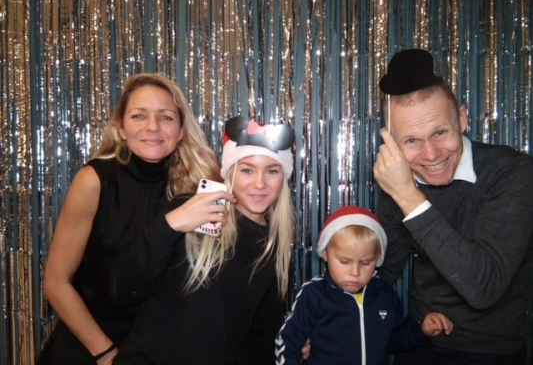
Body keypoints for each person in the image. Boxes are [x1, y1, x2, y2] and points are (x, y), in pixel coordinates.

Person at [38, 73, 222, 364]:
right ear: (121, 128)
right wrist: (105, 353)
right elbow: (56, 282)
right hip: (90, 347)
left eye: (165, 117)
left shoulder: (196, 187)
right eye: (139, 115)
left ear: (181, 130)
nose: (153, 126)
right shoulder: (94, 181)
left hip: (157, 351)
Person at [373, 48, 533, 364]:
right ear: (392, 142)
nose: (431, 154)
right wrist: (323, 315)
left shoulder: (513, 173)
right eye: (412, 140)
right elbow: (382, 271)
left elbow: (483, 287)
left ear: (461, 119)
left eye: (440, 132)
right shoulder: (399, 183)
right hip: (418, 342)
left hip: (492, 353)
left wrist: (408, 196)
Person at [110, 115, 296, 364]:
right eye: (247, 170)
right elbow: (123, 290)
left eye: (272, 171)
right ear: (229, 172)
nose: (259, 183)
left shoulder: (274, 249)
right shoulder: (189, 210)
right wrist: (171, 224)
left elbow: (259, 344)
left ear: (284, 178)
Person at [275, 205, 453, 365]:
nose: (355, 272)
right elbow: (287, 341)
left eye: (366, 263)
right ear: (325, 254)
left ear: (378, 260)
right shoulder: (314, 294)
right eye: (345, 261)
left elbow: (393, 341)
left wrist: (421, 330)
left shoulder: (384, 294)